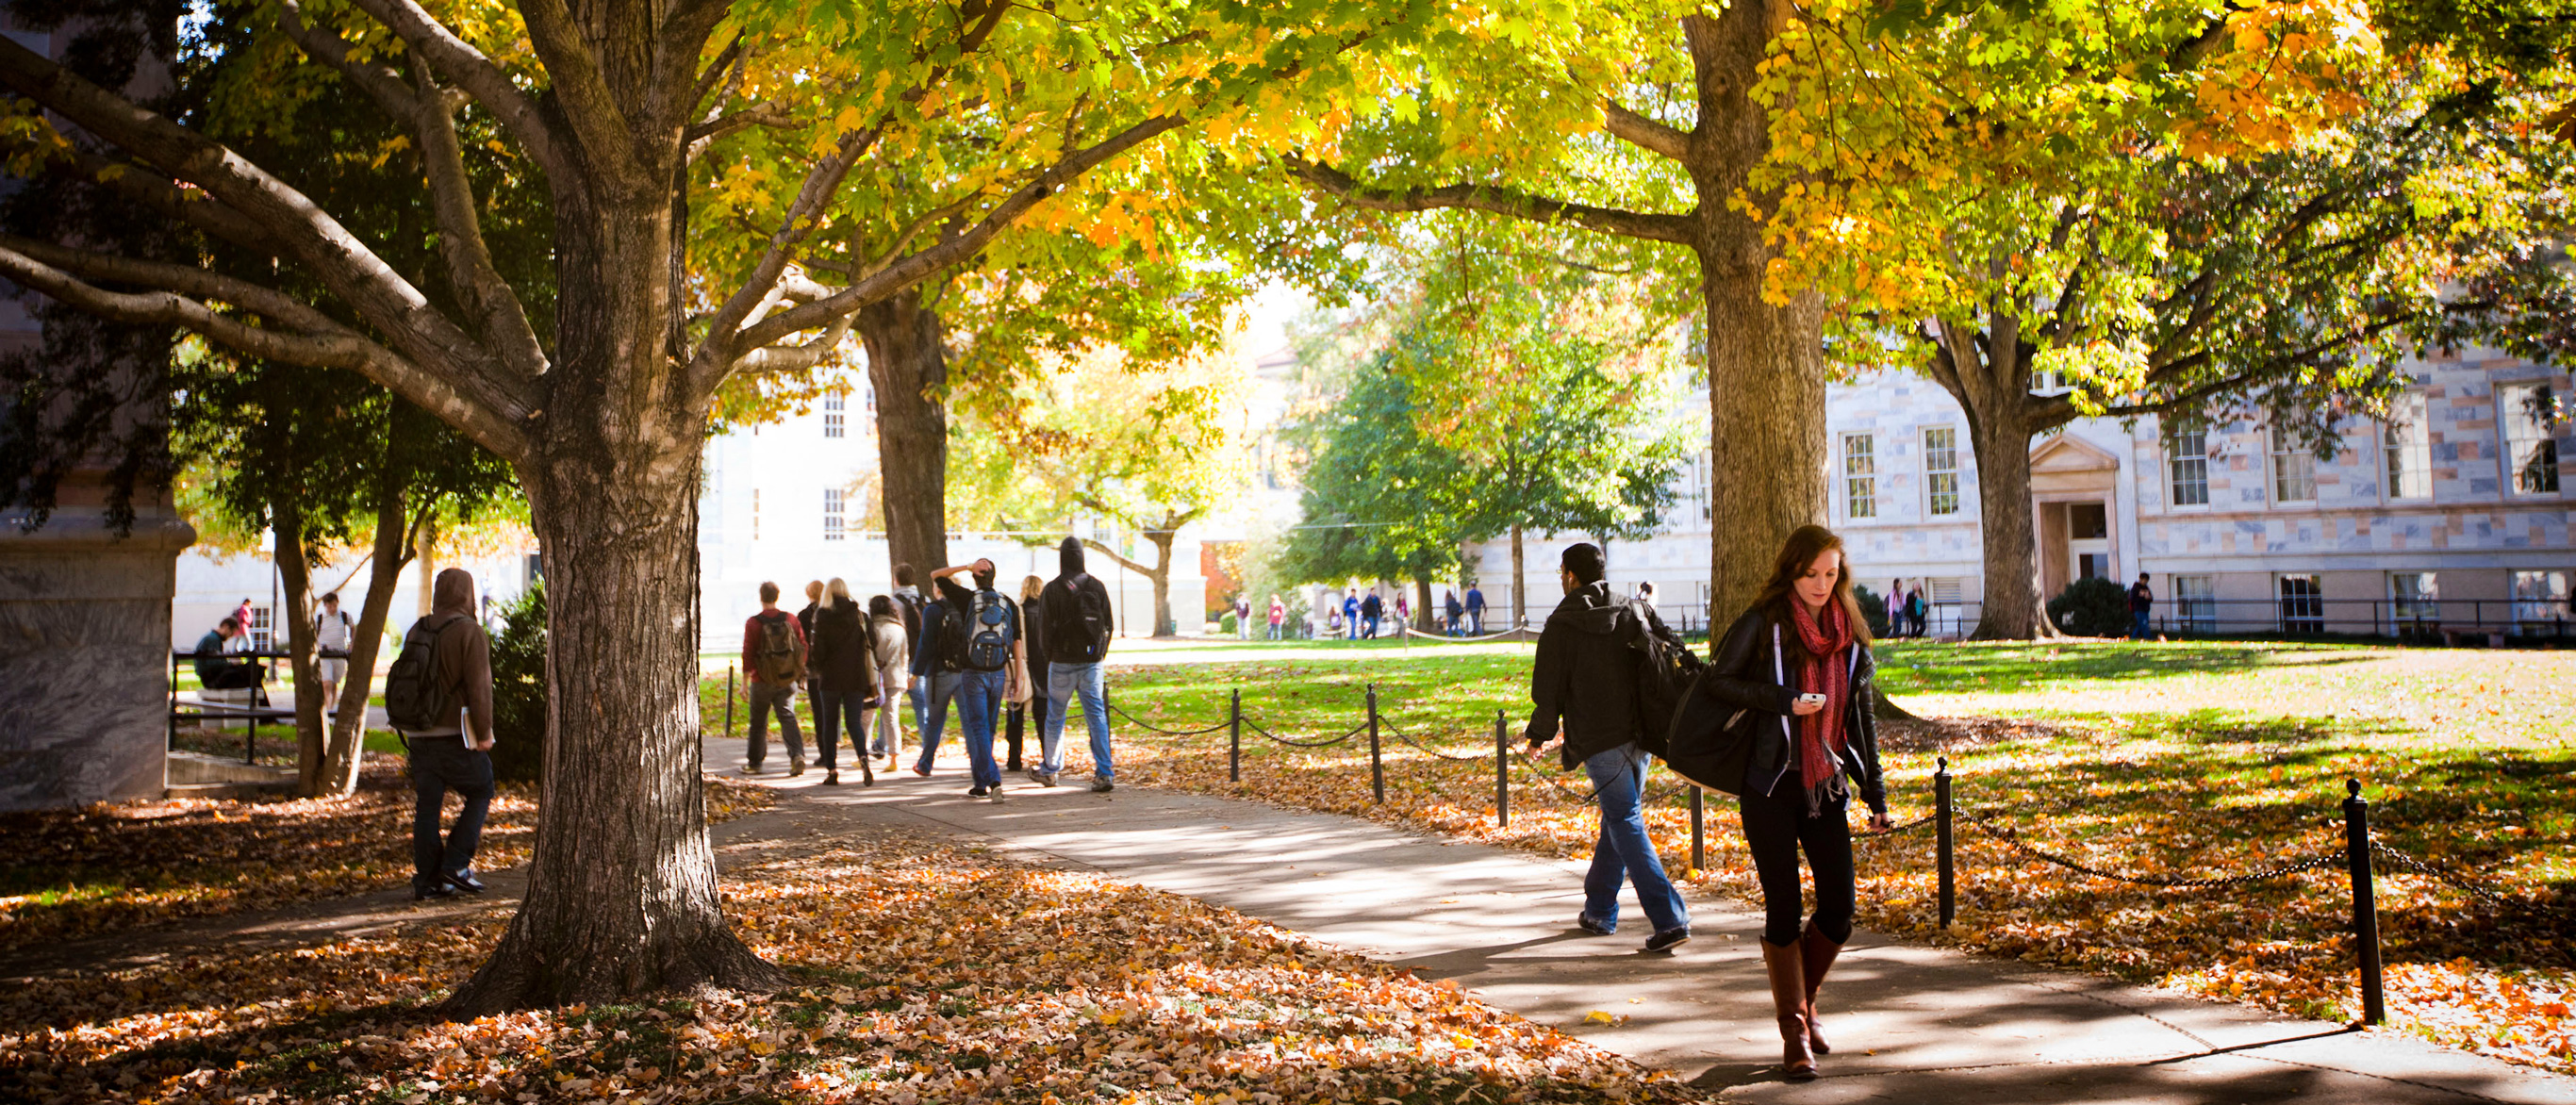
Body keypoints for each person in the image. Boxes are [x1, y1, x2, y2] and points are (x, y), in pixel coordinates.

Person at [1701, 524, 1893, 1081]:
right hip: (1769, 784)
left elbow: (1862, 718)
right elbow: (1719, 681)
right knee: (1783, 907)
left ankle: (1804, 1006)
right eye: (1811, 573)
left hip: (1825, 786)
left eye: (1830, 574)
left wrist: (1875, 793)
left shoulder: (1849, 630)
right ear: (1792, 571)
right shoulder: (1765, 623)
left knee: (1839, 908)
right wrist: (1785, 702)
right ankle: (1794, 1033)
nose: (1820, 583)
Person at [1526, 542, 1692, 954]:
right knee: (1617, 819)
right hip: (1643, 735)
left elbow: (1548, 690)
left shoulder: (1561, 625)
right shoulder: (1633, 609)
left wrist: (1538, 736)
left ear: (1571, 576)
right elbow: (1673, 648)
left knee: (1624, 819)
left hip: (1600, 739)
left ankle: (1670, 918)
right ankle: (1599, 909)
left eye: (1561, 571)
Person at [399, 568, 497, 901]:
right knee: (482, 788)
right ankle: (455, 865)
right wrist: (485, 733)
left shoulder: (418, 627)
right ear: (468, 594)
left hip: (418, 733)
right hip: (454, 733)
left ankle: (426, 880)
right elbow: (480, 688)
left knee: (427, 806)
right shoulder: (470, 631)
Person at [917, 559, 1024, 800]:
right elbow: (1017, 641)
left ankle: (993, 779)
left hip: (972, 672)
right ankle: (980, 783)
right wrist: (1017, 676)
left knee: (978, 726)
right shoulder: (1008, 603)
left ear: (976, 577)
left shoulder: (966, 599)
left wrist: (966, 566)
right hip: (998, 671)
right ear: (994, 576)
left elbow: (936, 573)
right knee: (988, 728)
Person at [1039, 536, 1117, 792]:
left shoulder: (1052, 589)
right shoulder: (1096, 586)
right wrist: (1099, 655)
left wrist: (1050, 655)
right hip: (1091, 661)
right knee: (1096, 716)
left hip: (1061, 660)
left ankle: (1050, 769)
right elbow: (1108, 625)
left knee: (1055, 717)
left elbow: (1043, 630)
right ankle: (1104, 772)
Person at [805, 578, 879, 786]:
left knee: (830, 723)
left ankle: (832, 769)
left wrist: (816, 666)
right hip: (855, 676)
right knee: (853, 722)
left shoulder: (822, 615)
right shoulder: (859, 616)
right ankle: (863, 758)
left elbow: (817, 648)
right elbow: (872, 641)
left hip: (830, 677)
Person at [741, 581, 809, 776]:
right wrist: (796, 671)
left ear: (761, 597)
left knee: (758, 722)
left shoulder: (753, 623)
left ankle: (755, 763)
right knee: (787, 716)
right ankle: (797, 755)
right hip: (787, 679)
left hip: (761, 680)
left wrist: (744, 683)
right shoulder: (791, 619)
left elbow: (748, 653)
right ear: (777, 596)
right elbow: (803, 646)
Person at [1003, 574, 1050, 773]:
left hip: (1021, 669)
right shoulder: (1048, 613)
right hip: (1044, 670)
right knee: (1043, 718)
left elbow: (1012, 640)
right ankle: (1048, 758)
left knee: (1015, 717)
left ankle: (1014, 759)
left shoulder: (1018, 611)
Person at [866, 595, 910, 763]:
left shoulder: (871, 628)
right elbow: (904, 655)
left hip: (873, 677)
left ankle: (862, 753)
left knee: (866, 715)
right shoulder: (899, 628)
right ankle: (894, 757)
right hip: (895, 676)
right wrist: (905, 677)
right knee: (891, 717)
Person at [892, 563, 929, 743]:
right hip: (921, 654)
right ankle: (928, 740)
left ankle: (884, 744)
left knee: (891, 704)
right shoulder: (924, 599)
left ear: (896, 579)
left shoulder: (894, 602)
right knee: (922, 702)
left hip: (901, 657)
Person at [192, 617, 266, 691]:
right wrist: (232, 663)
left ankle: (259, 700)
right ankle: (260, 702)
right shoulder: (213, 639)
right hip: (213, 680)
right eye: (232, 633)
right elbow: (214, 665)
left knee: (251, 673)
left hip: (212, 679)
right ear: (226, 627)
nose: (231, 636)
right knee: (252, 671)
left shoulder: (212, 638)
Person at [314, 591, 353, 716]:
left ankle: (331, 707)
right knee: (327, 682)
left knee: (335, 682)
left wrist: (351, 644)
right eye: (329, 606)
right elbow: (314, 633)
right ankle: (327, 710)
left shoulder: (344, 616)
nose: (332, 609)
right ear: (325, 605)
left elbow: (353, 628)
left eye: (334, 606)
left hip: (339, 653)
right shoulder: (320, 617)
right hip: (325, 654)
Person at [2129, 572, 2155, 640]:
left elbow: (2151, 598)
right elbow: (2132, 598)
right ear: (2141, 579)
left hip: (2145, 609)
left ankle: (2133, 638)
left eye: (2146, 581)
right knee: (2144, 624)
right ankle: (2148, 638)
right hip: (2138, 609)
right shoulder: (2136, 588)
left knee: (2140, 625)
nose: (2145, 582)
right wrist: (2142, 597)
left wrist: (2149, 597)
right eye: (2144, 580)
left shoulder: (2146, 588)